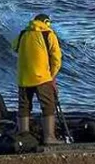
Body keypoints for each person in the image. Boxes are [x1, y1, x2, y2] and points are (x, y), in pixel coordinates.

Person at [13, 13, 63, 146]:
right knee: (48, 106)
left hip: (23, 78)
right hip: (42, 78)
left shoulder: (23, 33)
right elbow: (57, 59)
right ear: (46, 22)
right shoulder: (48, 34)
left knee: (24, 107)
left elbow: (14, 47)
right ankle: (49, 137)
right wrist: (51, 76)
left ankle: (23, 138)